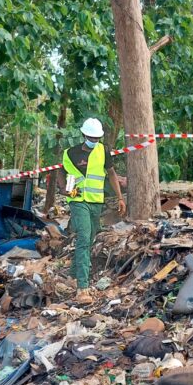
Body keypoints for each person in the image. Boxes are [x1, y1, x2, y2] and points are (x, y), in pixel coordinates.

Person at [57, 118, 126, 304]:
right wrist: (65, 189)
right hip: (78, 200)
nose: (94, 140)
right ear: (84, 135)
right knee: (84, 238)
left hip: (96, 201)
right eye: (91, 137)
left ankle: (72, 276)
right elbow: (61, 173)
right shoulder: (70, 153)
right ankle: (82, 287)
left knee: (90, 238)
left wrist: (120, 197)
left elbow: (111, 173)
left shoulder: (103, 151)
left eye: (97, 138)